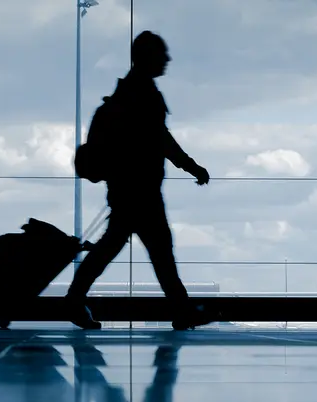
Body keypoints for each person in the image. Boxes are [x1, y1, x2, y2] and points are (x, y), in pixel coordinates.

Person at [67, 30, 213, 330]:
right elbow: (162, 140)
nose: (167, 59)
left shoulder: (130, 94)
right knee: (157, 250)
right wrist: (191, 166)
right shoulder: (143, 96)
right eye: (162, 54)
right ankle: (182, 310)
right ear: (147, 58)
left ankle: (74, 300)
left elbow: (158, 140)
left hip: (127, 189)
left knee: (117, 248)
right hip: (140, 191)